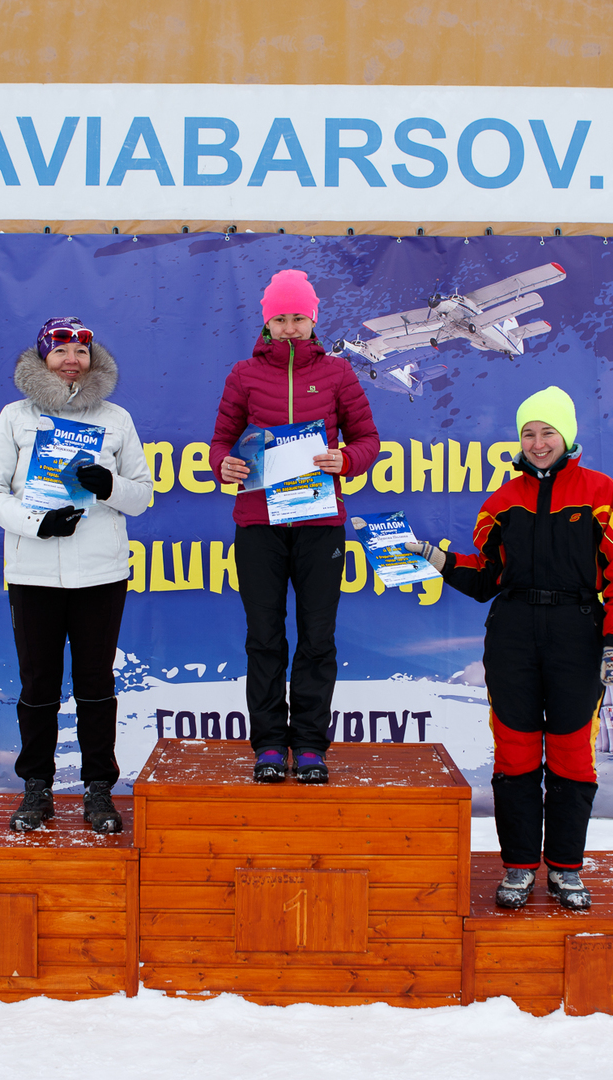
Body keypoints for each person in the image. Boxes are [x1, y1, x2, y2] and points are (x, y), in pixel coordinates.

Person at [406, 386, 613, 910]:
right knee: (514, 750)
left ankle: (565, 869)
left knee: (571, 751)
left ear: (567, 435)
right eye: (528, 434)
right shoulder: (502, 502)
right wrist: (438, 559)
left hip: (577, 633)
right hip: (512, 633)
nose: (538, 443)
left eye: (548, 432)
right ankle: (518, 867)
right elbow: (487, 577)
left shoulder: (603, 492)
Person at [0, 317, 152, 833]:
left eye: (81, 351)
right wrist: (37, 522)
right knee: (38, 685)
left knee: (96, 683)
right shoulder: (15, 417)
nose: (71, 360)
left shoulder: (116, 419)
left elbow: (142, 496)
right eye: (60, 351)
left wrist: (109, 485)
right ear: (42, 358)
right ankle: (37, 787)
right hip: (33, 573)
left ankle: (99, 790)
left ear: (93, 359)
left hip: (101, 574)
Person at [210, 269, 380, 784]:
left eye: (298, 318)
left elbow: (368, 440)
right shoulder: (243, 373)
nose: (289, 328)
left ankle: (308, 745)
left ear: (313, 320)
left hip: (319, 522)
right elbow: (221, 442)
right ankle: (267, 743)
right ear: (266, 322)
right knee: (264, 637)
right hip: (258, 523)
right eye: (280, 319)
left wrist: (345, 460)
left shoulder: (338, 373)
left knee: (317, 637)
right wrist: (223, 466)